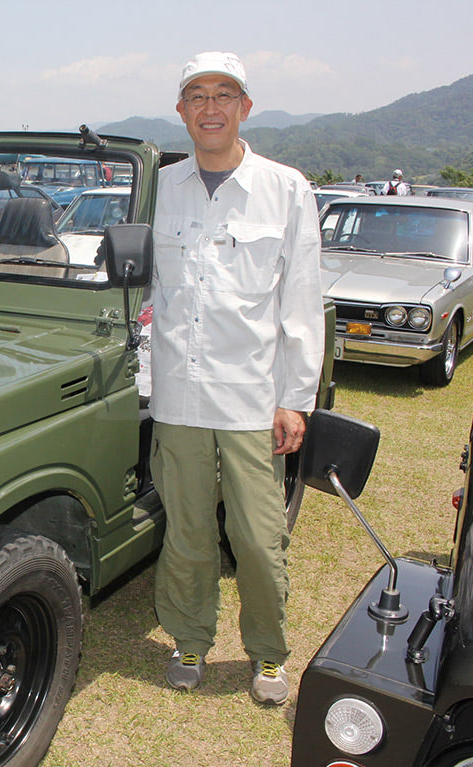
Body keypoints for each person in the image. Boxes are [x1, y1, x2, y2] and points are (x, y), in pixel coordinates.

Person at [149, 52, 323, 706]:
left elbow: (301, 299)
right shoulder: (161, 188)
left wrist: (295, 399)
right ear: (182, 111)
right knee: (188, 533)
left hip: (252, 397)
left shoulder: (285, 188)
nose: (211, 106)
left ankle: (268, 654)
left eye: (225, 94)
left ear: (246, 107)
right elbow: (148, 290)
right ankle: (189, 640)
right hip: (180, 394)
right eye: (197, 95)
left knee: (255, 536)